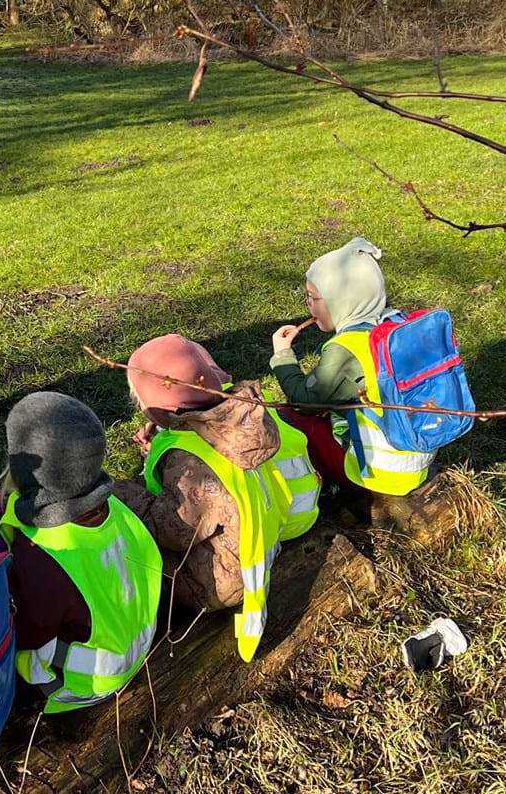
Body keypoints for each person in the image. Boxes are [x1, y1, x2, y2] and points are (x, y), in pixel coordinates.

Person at [121, 334, 319, 656]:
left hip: (221, 582)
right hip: (267, 541)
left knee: (134, 555)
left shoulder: (190, 461)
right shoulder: (246, 419)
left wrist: (126, 495)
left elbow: (177, 529)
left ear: (160, 410)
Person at [0, 392, 163, 714]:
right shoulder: (118, 509)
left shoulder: (43, 552)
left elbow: (28, 632)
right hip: (137, 647)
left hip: (80, 688)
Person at [270, 236, 433, 496]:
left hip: (378, 475)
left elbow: (303, 401)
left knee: (289, 415)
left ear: (341, 300)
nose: (308, 304)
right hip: (416, 461)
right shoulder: (396, 326)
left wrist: (282, 356)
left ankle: (319, 486)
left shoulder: (346, 349)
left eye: (314, 297)